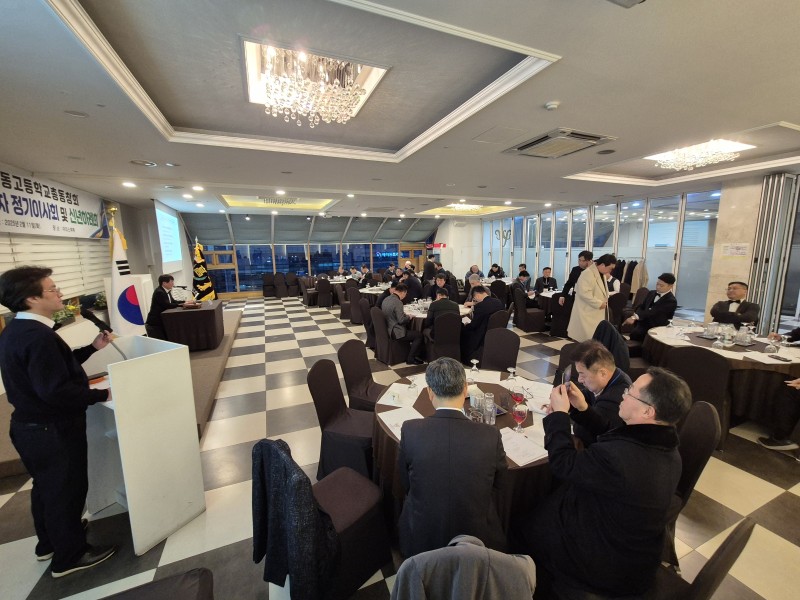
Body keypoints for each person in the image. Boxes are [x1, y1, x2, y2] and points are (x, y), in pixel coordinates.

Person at [513, 367, 691, 597]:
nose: (623, 394)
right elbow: (612, 432)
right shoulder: (665, 447)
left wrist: (558, 416)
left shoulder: (620, 458)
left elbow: (563, 464)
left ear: (648, 411)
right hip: (637, 550)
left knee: (522, 519)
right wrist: (582, 408)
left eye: (630, 391)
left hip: (603, 562)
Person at [0, 266, 117, 577]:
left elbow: (53, 371)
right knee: (66, 491)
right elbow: (55, 390)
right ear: (31, 298)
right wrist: (102, 394)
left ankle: (49, 543)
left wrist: (92, 349)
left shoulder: (19, 330)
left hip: (31, 427)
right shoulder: (37, 337)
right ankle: (70, 556)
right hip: (52, 430)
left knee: (47, 489)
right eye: (52, 289)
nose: (60, 293)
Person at [397, 357, 507, 557]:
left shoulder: (410, 430)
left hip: (421, 535)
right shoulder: (490, 435)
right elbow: (499, 484)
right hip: (477, 539)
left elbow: (405, 482)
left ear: (430, 392)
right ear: (465, 389)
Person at [566, 341, 630, 446]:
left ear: (602, 373)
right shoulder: (612, 375)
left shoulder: (615, 398)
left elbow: (584, 433)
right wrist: (567, 401)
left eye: (582, 374)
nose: (579, 379)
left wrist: (580, 408)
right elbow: (587, 395)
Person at [567, 254, 616, 342]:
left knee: (593, 340)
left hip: (595, 312)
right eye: (610, 268)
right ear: (602, 265)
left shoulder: (601, 274)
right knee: (585, 340)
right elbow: (584, 293)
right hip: (586, 312)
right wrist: (599, 303)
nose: (611, 271)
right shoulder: (587, 273)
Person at [624, 273, 678, 341]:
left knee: (637, 335)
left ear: (670, 286)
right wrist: (635, 315)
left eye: (661, 285)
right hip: (643, 324)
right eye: (657, 284)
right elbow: (641, 306)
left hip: (656, 328)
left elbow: (653, 312)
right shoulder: (651, 293)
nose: (658, 287)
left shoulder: (671, 301)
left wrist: (635, 317)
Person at [382, 283, 425, 365]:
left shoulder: (386, 299)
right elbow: (401, 320)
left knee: (412, 331)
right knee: (419, 335)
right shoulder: (398, 302)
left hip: (388, 328)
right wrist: (409, 317)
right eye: (405, 294)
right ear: (403, 292)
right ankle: (410, 358)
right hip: (396, 332)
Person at [461, 285, 504, 362]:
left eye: (475, 299)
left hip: (482, 334)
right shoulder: (498, 302)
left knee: (463, 330)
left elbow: (474, 325)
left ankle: (464, 356)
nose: (475, 301)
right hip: (497, 331)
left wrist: (466, 325)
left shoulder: (480, 306)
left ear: (477, 295)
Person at [145, 274, 185, 340]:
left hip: (163, 321)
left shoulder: (167, 291)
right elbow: (167, 305)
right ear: (164, 283)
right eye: (171, 282)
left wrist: (185, 302)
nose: (173, 284)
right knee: (160, 340)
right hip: (156, 323)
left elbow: (173, 302)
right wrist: (182, 305)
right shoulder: (159, 292)